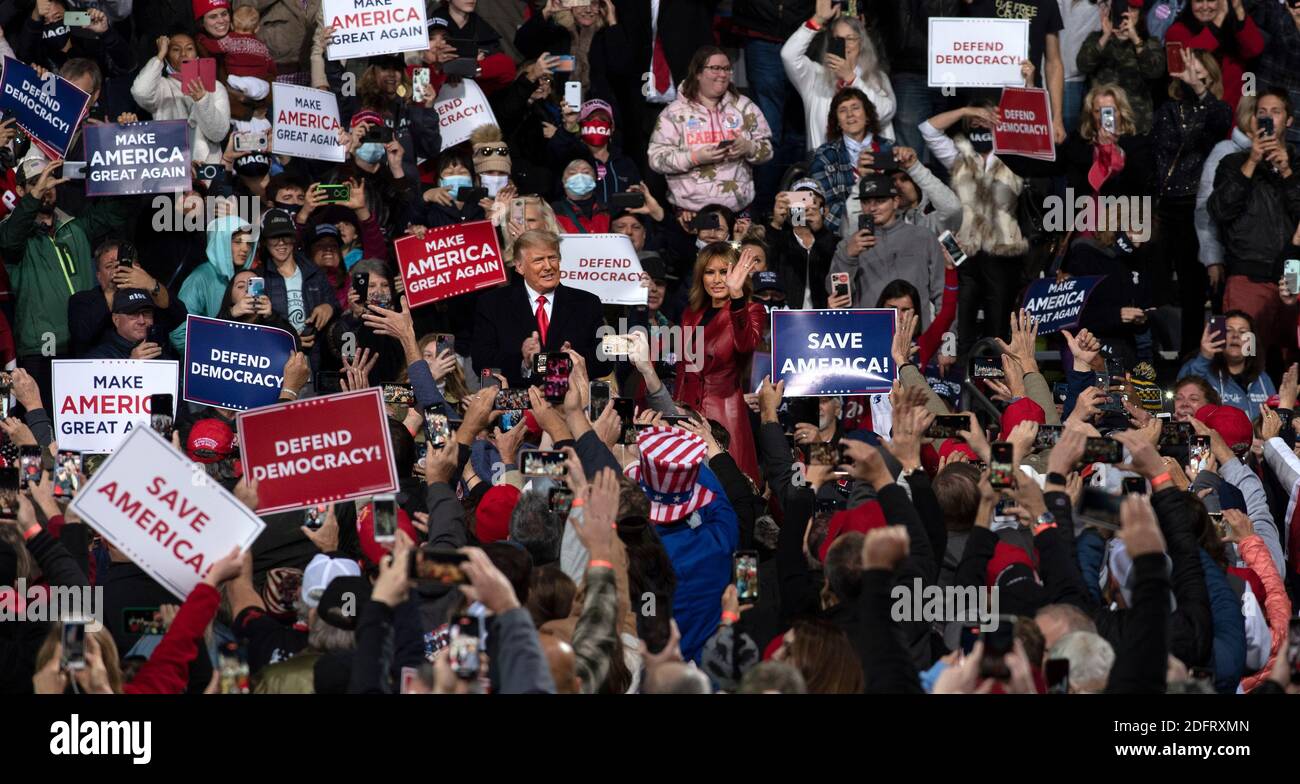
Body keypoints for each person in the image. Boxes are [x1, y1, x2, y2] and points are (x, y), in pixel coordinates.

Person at [1207, 89, 1300, 365]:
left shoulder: (1297, 165)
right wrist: (1252, 162)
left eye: (1275, 112)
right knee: (1241, 360)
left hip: (1293, 272)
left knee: (1292, 359)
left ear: (1289, 121)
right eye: (1261, 112)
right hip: (1247, 275)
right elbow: (1219, 210)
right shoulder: (1233, 163)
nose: (1267, 118)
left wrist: (1287, 173)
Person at [1151, 49, 1232, 358]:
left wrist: (1200, 92)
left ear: (1210, 77)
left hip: (1196, 207)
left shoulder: (1217, 110)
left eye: (1198, 71)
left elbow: (1221, 123)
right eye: (1186, 69)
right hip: (1165, 204)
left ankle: (1191, 354)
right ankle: (1154, 353)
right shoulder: (1168, 109)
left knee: (1192, 289)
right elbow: (1162, 147)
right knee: (1156, 286)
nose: (1190, 75)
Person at [674, 242, 765, 483]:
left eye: (724, 272)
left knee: (727, 488)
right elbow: (683, 369)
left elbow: (746, 344)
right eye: (709, 272)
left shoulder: (751, 310)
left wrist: (737, 298)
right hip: (686, 414)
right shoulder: (691, 313)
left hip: (723, 416)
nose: (717, 279)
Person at [472, 229, 610, 387]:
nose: (548, 267)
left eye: (552, 258)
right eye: (538, 260)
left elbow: (605, 361)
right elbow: (481, 364)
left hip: (570, 403)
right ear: (519, 267)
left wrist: (562, 362)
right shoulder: (492, 303)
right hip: (519, 403)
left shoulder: (587, 303)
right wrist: (524, 361)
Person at [648, 46, 774, 216]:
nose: (722, 74)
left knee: (738, 245)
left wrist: (749, 148)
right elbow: (656, 159)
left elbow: (767, 150)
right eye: (715, 68)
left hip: (739, 213)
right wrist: (694, 157)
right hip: (690, 213)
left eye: (726, 69)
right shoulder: (673, 113)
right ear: (698, 73)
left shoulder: (745, 107)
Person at [826, 172, 946, 324]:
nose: (872, 208)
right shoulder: (848, 245)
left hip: (917, 337)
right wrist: (848, 257)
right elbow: (837, 296)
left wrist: (946, 336)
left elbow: (942, 291)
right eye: (866, 202)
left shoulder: (924, 237)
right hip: (869, 335)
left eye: (880, 201)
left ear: (896, 201)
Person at [780, 0, 896, 152]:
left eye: (851, 39)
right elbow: (788, 55)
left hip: (868, 168)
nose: (845, 45)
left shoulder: (876, 78)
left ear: (861, 44)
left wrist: (851, 79)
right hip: (825, 168)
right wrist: (817, 20)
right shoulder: (815, 76)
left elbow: (883, 113)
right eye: (838, 40)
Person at [130, 31, 232, 164]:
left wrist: (203, 100)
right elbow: (140, 91)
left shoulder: (215, 87)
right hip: (171, 167)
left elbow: (218, 134)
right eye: (176, 49)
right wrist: (159, 56)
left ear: (197, 55)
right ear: (168, 57)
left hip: (208, 166)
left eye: (189, 48)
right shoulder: (160, 86)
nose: (183, 54)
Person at [809, 87, 895, 235]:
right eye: (842, 110)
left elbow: (902, 198)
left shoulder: (888, 148)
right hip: (845, 233)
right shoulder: (825, 155)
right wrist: (861, 180)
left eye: (855, 108)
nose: (850, 115)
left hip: (890, 229)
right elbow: (827, 211)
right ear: (837, 122)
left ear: (867, 116)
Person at [1075, 0, 1167, 133]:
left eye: (1133, 9)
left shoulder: (1149, 42)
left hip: (1137, 122)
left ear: (1140, 13)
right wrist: (1105, 36)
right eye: (1123, 8)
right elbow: (1083, 65)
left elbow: (1155, 72)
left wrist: (1135, 38)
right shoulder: (1097, 39)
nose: (1127, 13)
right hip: (1101, 122)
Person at [1166, 0, 1264, 117]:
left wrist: (1238, 9)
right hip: (1193, 117)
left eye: (1211, 0)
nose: (1205, 6)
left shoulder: (1232, 26)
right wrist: (1219, 18)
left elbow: (1255, 49)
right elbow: (1190, 57)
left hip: (1232, 114)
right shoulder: (1177, 30)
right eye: (1198, 1)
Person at [1178, 311, 1277, 414]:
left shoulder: (1263, 380)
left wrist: (1267, 418)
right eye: (1229, 330)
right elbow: (1183, 397)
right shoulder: (1200, 367)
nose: (1235, 335)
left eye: (1243, 332)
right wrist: (1204, 358)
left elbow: (1271, 415)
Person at [83, 287, 187, 360]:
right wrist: (132, 364)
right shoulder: (98, 358)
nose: (142, 321)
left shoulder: (160, 352)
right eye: (133, 314)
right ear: (116, 320)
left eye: (146, 313)